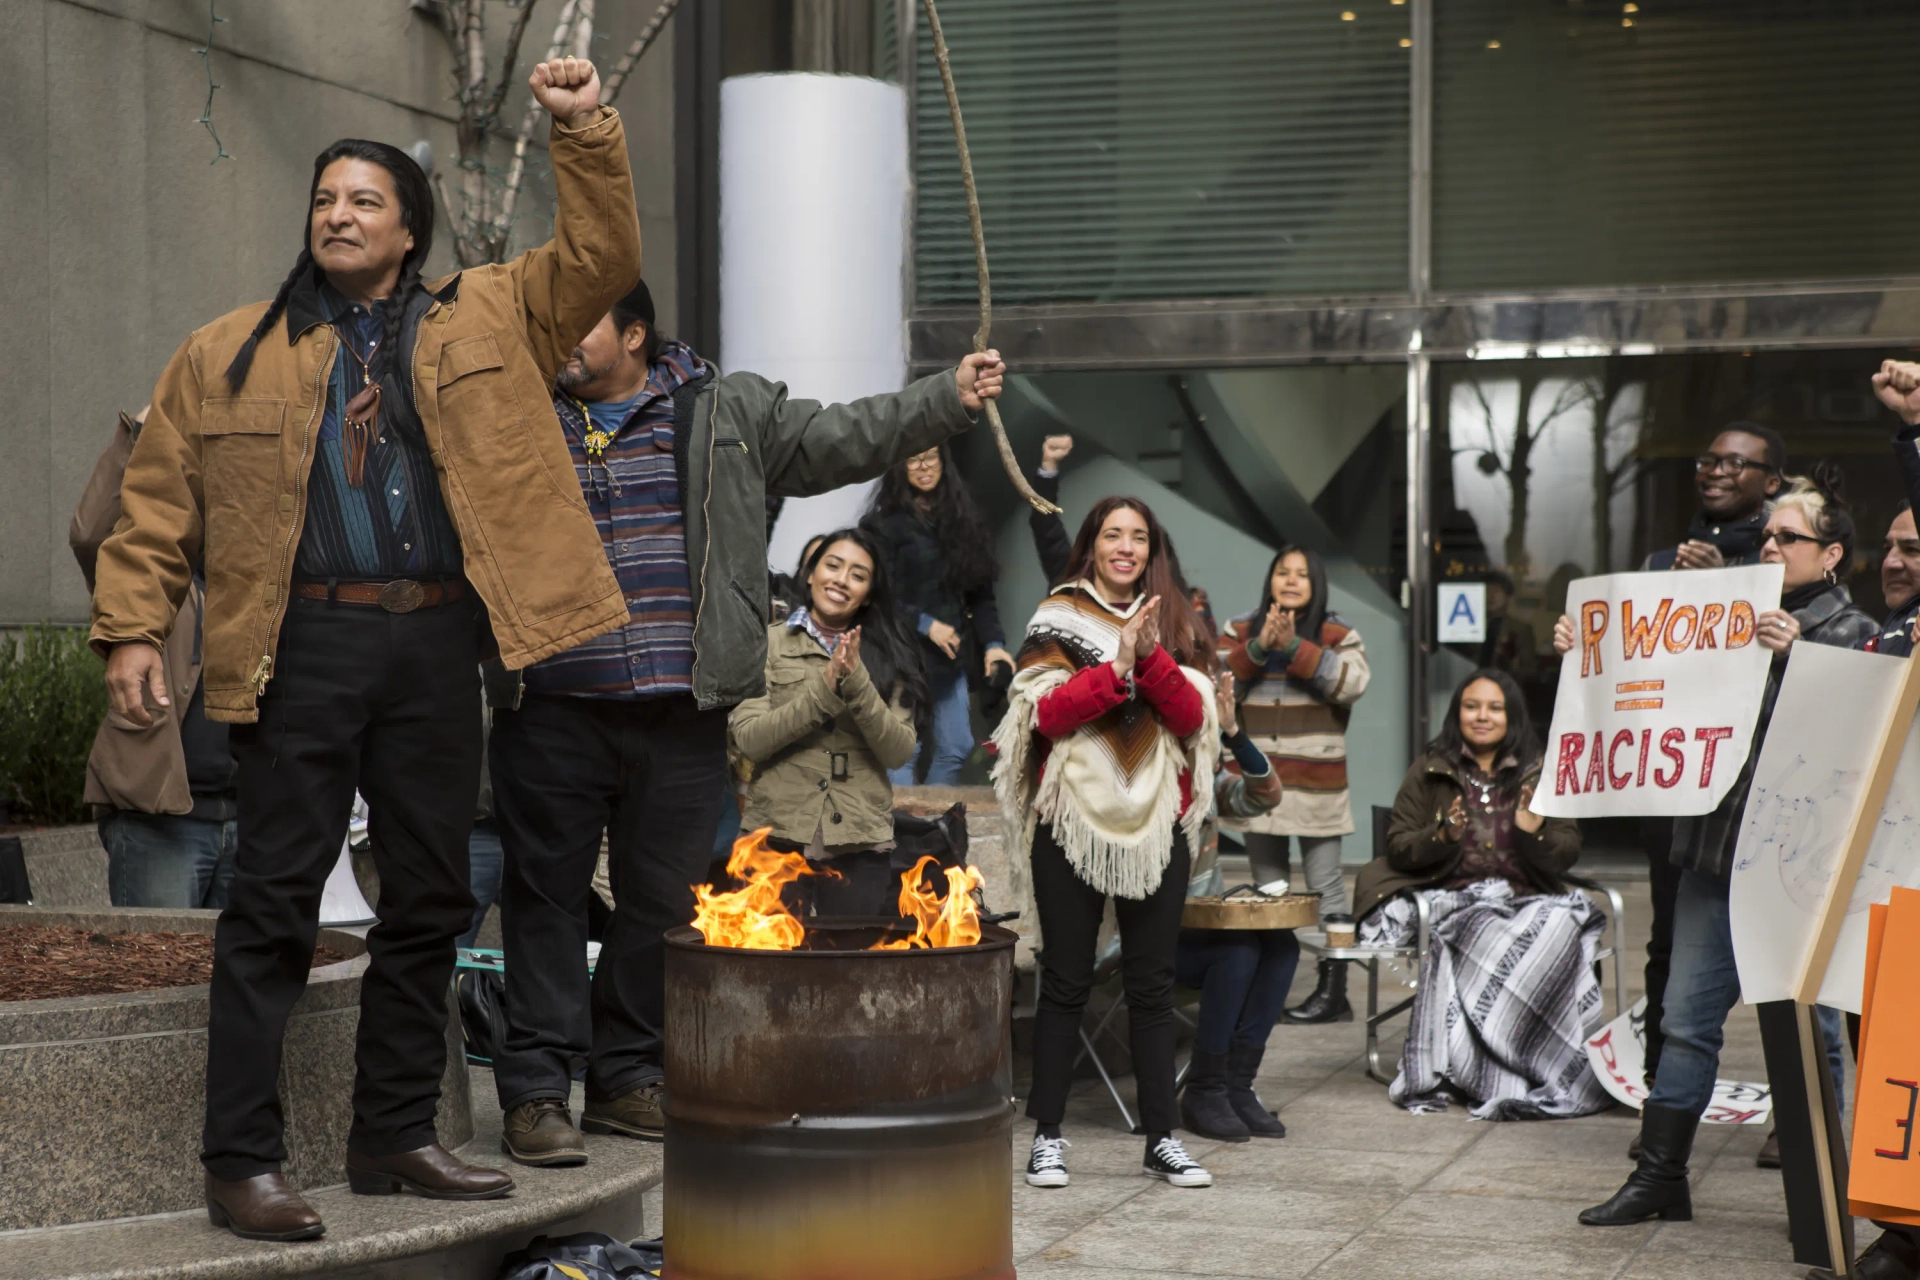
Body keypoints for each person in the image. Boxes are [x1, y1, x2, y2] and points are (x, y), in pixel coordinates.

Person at [89, 57, 637, 1239]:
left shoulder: (490, 311)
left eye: (363, 200)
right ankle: (241, 1159)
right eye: (325, 199)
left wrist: (583, 128)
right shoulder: (227, 349)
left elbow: (599, 259)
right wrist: (133, 630)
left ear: (408, 231)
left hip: (439, 638)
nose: (337, 213)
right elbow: (155, 506)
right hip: (303, 639)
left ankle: (394, 1132)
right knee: (275, 899)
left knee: (434, 891)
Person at [485, 271, 1005, 1166]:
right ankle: (536, 1094)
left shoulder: (728, 411)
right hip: (553, 702)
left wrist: (944, 399)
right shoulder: (523, 408)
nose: (558, 337)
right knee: (543, 902)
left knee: (660, 905)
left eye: (580, 322)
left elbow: (846, 436)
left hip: (683, 712)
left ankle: (627, 1080)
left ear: (637, 333)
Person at [1577, 468, 1875, 1229]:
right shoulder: (1726, 614)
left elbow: (1854, 741)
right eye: (1766, 534)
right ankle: (1660, 1176)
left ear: (1831, 553)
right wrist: (1592, 653)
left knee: (1808, 1035)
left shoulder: (1856, 634)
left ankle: (1821, 1193)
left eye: (1789, 537)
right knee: (1684, 1018)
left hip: (1794, 873)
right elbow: (1654, 682)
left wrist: (1796, 659)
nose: (1769, 545)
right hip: (1713, 856)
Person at [993, 496, 1220, 1192]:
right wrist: (1116, 663)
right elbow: (1050, 717)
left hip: (1156, 824)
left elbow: (1186, 719)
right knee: (1064, 983)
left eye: (1139, 538)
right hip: (1071, 822)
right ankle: (1049, 1139)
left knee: (1152, 988)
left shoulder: (1177, 618)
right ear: (1092, 544)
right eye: (1113, 535)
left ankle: (1161, 1140)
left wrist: (1148, 657)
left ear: (1153, 551)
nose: (1126, 547)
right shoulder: (1057, 616)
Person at [1355, 669, 1606, 1118]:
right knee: (1482, 930)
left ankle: (1545, 1064)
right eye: (1472, 706)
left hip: (1529, 897)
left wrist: (1534, 833)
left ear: (1512, 716)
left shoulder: (1540, 771)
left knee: (1564, 928)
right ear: (1458, 713)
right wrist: (1443, 833)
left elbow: (1566, 850)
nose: (1482, 717)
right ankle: (1491, 1072)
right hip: (1456, 899)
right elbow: (1398, 845)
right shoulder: (1430, 769)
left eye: (1494, 708)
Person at [1628, 421, 1786, 1127]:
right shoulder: (1665, 559)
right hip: (1681, 786)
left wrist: (1724, 592)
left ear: (1770, 482)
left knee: (1783, 954)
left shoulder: (1787, 564)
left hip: (1764, 789)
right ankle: (1661, 1103)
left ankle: (1801, 1115)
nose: (1716, 471)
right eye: (1709, 459)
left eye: (1736, 462)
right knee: (1669, 945)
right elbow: (1634, 666)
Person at [71, 405, 238, 910]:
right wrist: (136, 438)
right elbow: (90, 536)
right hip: (160, 823)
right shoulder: (145, 578)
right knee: (160, 974)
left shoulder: (259, 581)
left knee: (245, 981)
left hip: (257, 821)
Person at [729, 529, 927, 916]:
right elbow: (751, 740)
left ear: (868, 593)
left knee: (848, 968)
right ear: (809, 574)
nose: (840, 579)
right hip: (774, 833)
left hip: (859, 838)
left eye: (857, 574)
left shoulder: (894, 654)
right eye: (832, 566)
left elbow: (898, 751)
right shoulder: (766, 645)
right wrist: (825, 687)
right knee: (765, 965)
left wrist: (855, 680)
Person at [1218, 546, 1371, 1024]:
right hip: (1259, 783)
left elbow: (1352, 683)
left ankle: (1333, 989)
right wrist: (1261, 647)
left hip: (1317, 781)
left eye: (1302, 574)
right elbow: (1217, 685)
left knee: (1326, 885)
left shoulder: (1338, 632)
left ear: (1316, 582)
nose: (1290, 580)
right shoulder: (1239, 629)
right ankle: (1269, 984)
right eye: (1282, 572)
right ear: (1270, 579)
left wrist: (1296, 650)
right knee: (1271, 890)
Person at [1176, 672, 1297, 1143]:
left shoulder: (1204, 781)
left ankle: (1236, 1085)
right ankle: (1204, 1091)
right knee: (1238, 951)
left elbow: (1267, 795)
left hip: (1201, 926)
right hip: (1140, 940)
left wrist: (1233, 732)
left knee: (1282, 946)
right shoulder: (1136, 787)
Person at [863, 443, 1013, 785]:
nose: (923, 466)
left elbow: (982, 595)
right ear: (899, 467)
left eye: (930, 457)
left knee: (957, 747)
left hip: (950, 659)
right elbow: (874, 595)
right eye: (913, 459)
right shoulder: (881, 526)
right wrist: (926, 625)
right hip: (899, 655)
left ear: (944, 462)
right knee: (902, 753)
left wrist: (994, 644)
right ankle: (900, 833)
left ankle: (931, 828)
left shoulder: (964, 520)